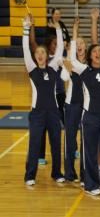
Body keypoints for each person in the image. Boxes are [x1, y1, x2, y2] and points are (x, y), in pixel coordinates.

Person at [70, 23, 100, 196]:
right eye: (95, 51)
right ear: (90, 56)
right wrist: (74, 35)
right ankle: (90, 184)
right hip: (90, 116)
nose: (98, 53)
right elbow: (72, 59)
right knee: (90, 152)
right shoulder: (84, 70)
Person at [22, 15, 66, 186]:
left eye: (42, 52)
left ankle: (57, 173)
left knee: (56, 144)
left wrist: (58, 29)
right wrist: (26, 28)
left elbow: (61, 47)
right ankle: (30, 175)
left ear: (47, 56)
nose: (39, 54)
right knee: (34, 145)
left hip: (54, 113)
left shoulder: (54, 67)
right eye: (37, 53)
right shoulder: (31, 68)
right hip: (37, 114)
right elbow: (26, 49)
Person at [62, 17, 85, 183]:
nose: (80, 47)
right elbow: (64, 76)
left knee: (86, 140)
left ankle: (86, 173)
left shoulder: (91, 64)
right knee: (70, 140)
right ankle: (70, 173)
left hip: (87, 106)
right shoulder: (71, 64)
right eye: (77, 45)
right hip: (71, 105)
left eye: (82, 44)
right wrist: (74, 30)